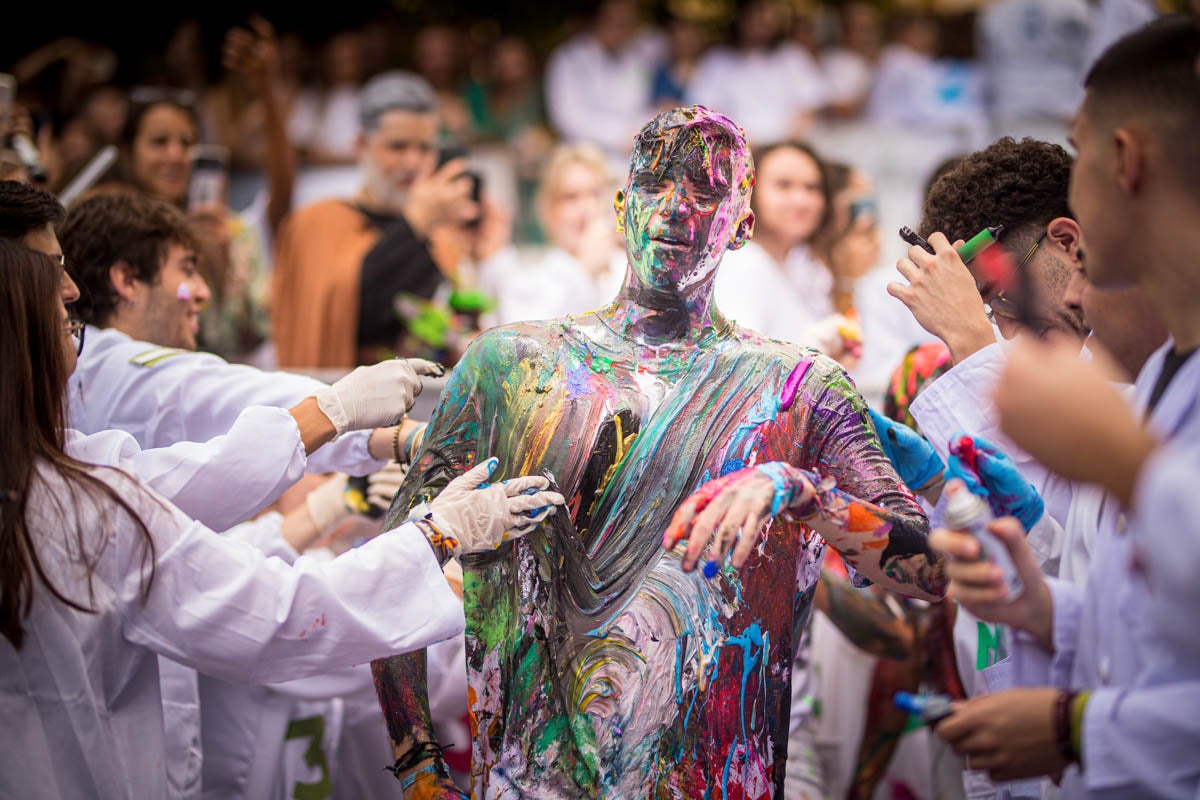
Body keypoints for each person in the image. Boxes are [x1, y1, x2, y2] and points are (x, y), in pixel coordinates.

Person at [369, 105, 945, 798]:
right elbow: (394, 564)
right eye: (654, 183)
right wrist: (418, 763)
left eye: (706, 193)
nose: (675, 209)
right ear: (621, 207)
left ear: (742, 227)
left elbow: (931, 571)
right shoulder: (513, 366)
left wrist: (801, 492)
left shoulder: (795, 388)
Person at [0, 236, 566, 799]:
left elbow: (191, 476)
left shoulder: (71, 474)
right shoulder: (71, 501)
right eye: (59, 299)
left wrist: (346, 426)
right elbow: (274, 613)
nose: (72, 291)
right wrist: (436, 532)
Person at [929, 17, 1200, 798]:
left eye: (1078, 153)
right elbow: (1150, 631)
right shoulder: (1163, 378)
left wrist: (1077, 729)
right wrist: (1047, 611)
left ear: (1124, 160)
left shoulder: (1128, 403)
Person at [271, 70, 481, 369]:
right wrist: (416, 223)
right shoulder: (316, 222)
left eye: (424, 148)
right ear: (360, 145)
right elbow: (352, 316)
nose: (412, 162)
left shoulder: (439, 234)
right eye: (397, 146)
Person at [714, 140, 860, 361]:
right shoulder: (743, 262)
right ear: (747, 191)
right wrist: (810, 354)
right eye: (783, 185)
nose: (801, 200)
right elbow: (738, 366)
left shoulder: (800, 268)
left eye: (812, 188)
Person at [479, 143, 623, 326]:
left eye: (594, 194)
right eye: (571, 197)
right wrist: (583, 270)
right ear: (549, 209)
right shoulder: (528, 280)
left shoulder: (628, 270)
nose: (585, 208)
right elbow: (530, 345)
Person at [685, 0, 828, 144]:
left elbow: (809, 110)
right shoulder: (717, 60)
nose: (761, 19)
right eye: (754, 12)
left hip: (786, 151)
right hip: (732, 153)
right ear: (740, 16)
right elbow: (707, 113)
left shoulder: (793, 56)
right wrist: (741, 146)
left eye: (767, 12)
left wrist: (783, 148)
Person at [544, 0, 662, 172]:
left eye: (628, 21)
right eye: (615, 20)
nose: (621, 28)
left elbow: (644, 106)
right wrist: (622, 136)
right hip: (584, 161)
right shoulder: (568, 58)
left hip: (634, 163)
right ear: (598, 19)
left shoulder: (642, 55)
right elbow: (567, 117)